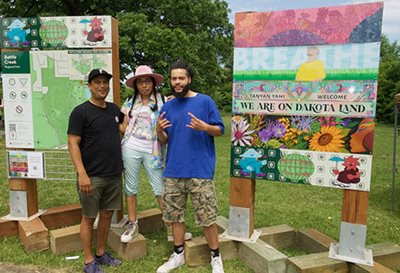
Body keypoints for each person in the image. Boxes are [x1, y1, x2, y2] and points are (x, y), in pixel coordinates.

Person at [156, 60, 225, 273]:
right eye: (174, 78)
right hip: (173, 171)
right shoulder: (167, 106)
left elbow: (220, 130)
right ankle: (177, 255)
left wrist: (205, 127)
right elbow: (165, 139)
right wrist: (158, 130)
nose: (177, 82)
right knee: (175, 216)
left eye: (181, 78)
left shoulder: (205, 102)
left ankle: (216, 257)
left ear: (189, 79)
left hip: (200, 170)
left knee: (207, 217)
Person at [119, 65, 192, 243]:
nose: (144, 86)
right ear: (136, 85)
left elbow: (173, 119)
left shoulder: (163, 101)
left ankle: (170, 227)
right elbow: (123, 126)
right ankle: (132, 223)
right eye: (140, 82)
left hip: (153, 149)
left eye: (147, 81)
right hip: (131, 147)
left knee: (160, 188)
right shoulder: (130, 102)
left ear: (153, 83)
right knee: (130, 187)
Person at [68, 69, 123, 273]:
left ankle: (100, 253)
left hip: (114, 174)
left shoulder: (114, 110)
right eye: (97, 82)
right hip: (91, 177)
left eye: (105, 82)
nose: (102, 86)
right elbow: (73, 143)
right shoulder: (80, 112)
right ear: (89, 86)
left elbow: (131, 121)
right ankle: (89, 260)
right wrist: (82, 173)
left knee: (107, 215)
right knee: (89, 217)